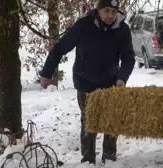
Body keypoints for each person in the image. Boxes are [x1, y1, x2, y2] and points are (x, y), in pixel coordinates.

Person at [38, 0, 135, 165]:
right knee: (89, 122)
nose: (110, 15)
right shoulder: (83, 25)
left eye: (113, 11)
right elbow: (60, 48)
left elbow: (128, 58)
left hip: (111, 82)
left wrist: (121, 78)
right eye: (106, 11)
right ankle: (88, 159)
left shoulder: (122, 29)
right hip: (86, 81)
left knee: (112, 120)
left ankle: (110, 158)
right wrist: (46, 73)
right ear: (98, 10)